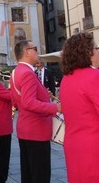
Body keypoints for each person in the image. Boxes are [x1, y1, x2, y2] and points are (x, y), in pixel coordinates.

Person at [10, 40, 61, 183]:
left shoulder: (15, 71)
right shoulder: (27, 73)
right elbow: (29, 102)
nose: (38, 52)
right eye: (35, 49)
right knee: (40, 175)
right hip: (36, 131)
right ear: (27, 52)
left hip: (25, 129)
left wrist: (44, 95)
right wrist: (54, 107)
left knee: (28, 173)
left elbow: (16, 101)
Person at [60, 32, 99, 183]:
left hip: (73, 144)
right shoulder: (94, 76)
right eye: (95, 48)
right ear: (88, 52)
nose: (97, 52)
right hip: (93, 147)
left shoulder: (67, 78)